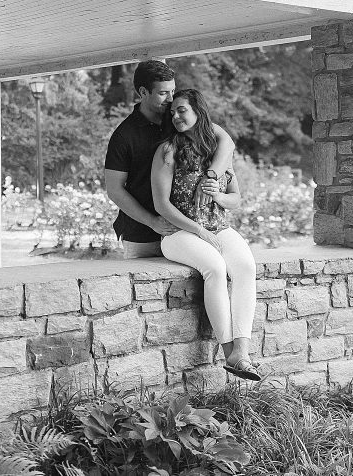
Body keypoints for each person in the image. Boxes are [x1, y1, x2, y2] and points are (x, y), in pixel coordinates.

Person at [151, 88, 260, 381]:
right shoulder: (167, 151)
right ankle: (229, 352)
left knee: (246, 266)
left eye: (181, 110)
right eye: (172, 112)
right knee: (215, 266)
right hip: (178, 233)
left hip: (218, 227)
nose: (175, 116)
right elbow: (161, 204)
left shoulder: (217, 153)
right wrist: (199, 231)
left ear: (198, 111)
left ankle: (243, 351)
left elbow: (235, 198)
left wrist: (218, 196)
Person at [104, 60, 234, 258]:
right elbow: (114, 189)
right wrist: (152, 221)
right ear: (143, 92)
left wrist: (211, 176)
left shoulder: (178, 119)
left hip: (187, 228)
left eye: (172, 91)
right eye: (163, 93)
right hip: (144, 234)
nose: (170, 98)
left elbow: (226, 140)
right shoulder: (124, 135)